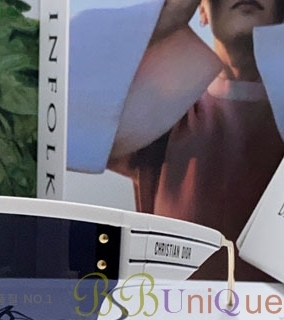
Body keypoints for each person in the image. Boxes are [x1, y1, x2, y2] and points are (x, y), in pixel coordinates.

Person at [109, 0, 284, 281]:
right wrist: (166, 19)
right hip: (177, 306)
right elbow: (71, 110)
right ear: (200, 9)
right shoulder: (161, 114)